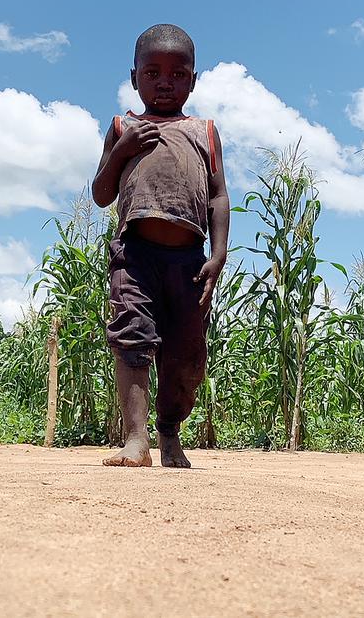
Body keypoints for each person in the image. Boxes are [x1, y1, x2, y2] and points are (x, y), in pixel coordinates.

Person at [91, 24, 229, 468]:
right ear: (134, 78)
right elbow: (101, 192)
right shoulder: (122, 127)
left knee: (186, 355)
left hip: (189, 261)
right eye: (152, 73)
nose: (164, 82)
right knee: (131, 338)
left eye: (177, 73)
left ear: (193, 79)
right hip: (134, 255)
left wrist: (219, 255)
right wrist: (120, 150)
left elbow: (218, 196)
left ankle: (169, 433)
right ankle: (136, 440)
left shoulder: (204, 131)